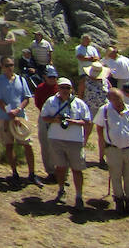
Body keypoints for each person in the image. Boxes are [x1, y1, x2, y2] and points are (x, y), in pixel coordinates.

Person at [40, 77, 92, 209]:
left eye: (67, 88)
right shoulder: (51, 101)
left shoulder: (79, 103)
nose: (65, 90)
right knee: (60, 167)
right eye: (62, 87)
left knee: (77, 169)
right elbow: (44, 117)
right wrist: (55, 120)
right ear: (58, 88)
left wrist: (73, 122)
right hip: (56, 138)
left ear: (71, 89)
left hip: (74, 140)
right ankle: (61, 189)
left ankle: (79, 196)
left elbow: (87, 122)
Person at [0, 57, 43, 187]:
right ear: (3, 67)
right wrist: (11, 113)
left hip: (21, 118)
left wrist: (18, 110)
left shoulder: (21, 80)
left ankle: (32, 174)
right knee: (9, 145)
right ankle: (14, 173)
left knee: (27, 144)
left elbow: (27, 97)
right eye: (7, 65)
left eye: (11, 65)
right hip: (5, 118)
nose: (10, 67)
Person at [94, 88, 129, 217]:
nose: (117, 101)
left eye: (119, 98)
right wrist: (103, 148)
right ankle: (119, 203)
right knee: (115, 176)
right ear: (109, 99)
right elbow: (99, 129)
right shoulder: (104, 111)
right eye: (113, 99)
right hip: (113, 149)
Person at [33, 65, 60, 180]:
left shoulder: (60, 88)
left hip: (58, 119)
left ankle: (61, 171)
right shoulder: (40, 88)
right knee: (45, 144)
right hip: (45, 117)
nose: (52, 79)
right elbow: (38, 103)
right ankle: (50, 171)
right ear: (45, 77)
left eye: (54, 77)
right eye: (50, 77)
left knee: (59, 145)